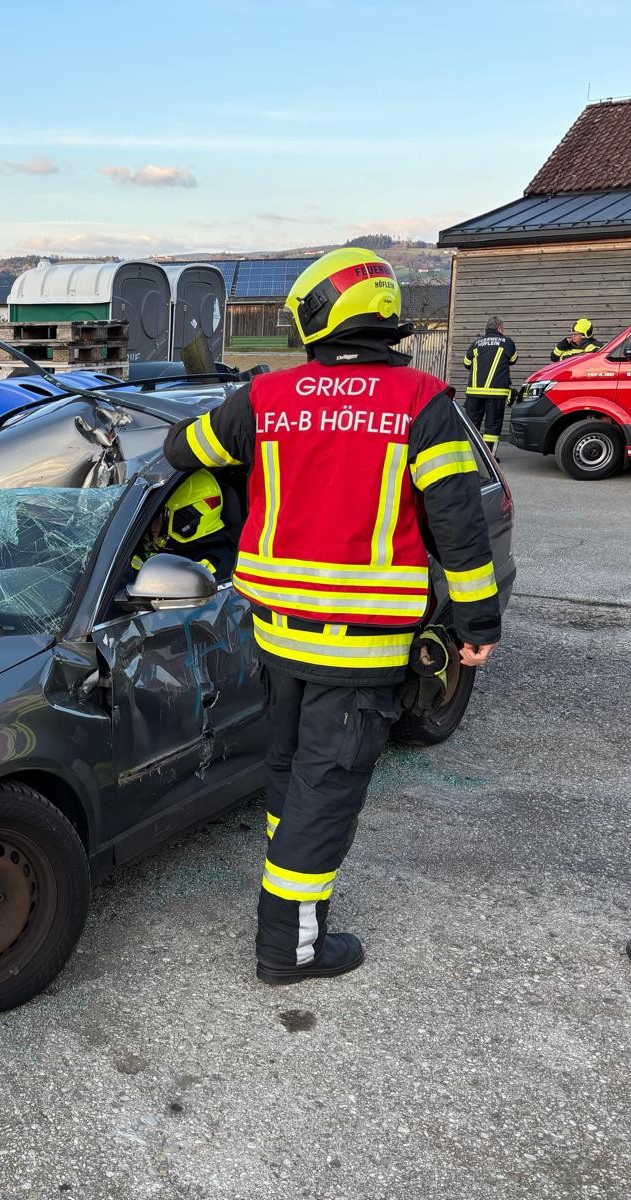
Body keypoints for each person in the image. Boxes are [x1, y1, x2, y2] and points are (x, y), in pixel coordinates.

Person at [162, 247, 501, 986]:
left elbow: (180, 449)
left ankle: (297, 908)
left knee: (290, 774)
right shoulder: (422, 402)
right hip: (362, 650)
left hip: (277, 639)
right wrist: (477, 627)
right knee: (326, 789)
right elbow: (459, 528)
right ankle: (291, 947)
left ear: (312, 317)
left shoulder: (266, 397)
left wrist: (241, 426)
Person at [130, 468, 236, 580]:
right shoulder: (174, 548)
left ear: (185, 519)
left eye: (160, 517)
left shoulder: (208, 568)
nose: (153, 524)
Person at [462, 317, 517, 454]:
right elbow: (513, 359)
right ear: (500, 328)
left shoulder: (476, 343)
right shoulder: (507, 342)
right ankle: (489, 457)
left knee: (471, 424)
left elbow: (466, 364)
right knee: (492, 426)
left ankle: (470, 455)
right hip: (496, 393)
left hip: (474, 393)